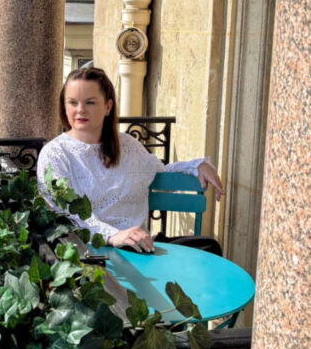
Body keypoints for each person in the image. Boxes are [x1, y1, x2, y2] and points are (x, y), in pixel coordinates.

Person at [37, 67, 224, 253]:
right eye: (72, 102)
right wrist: (113, 236)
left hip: (138, 248)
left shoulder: (127, 145)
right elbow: (63, 212)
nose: (80, 110)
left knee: (209, 247)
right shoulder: (55, 154)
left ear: (108, 106)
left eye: (90, 102)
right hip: (87, 253)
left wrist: (196, 167)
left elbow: (160, 173)